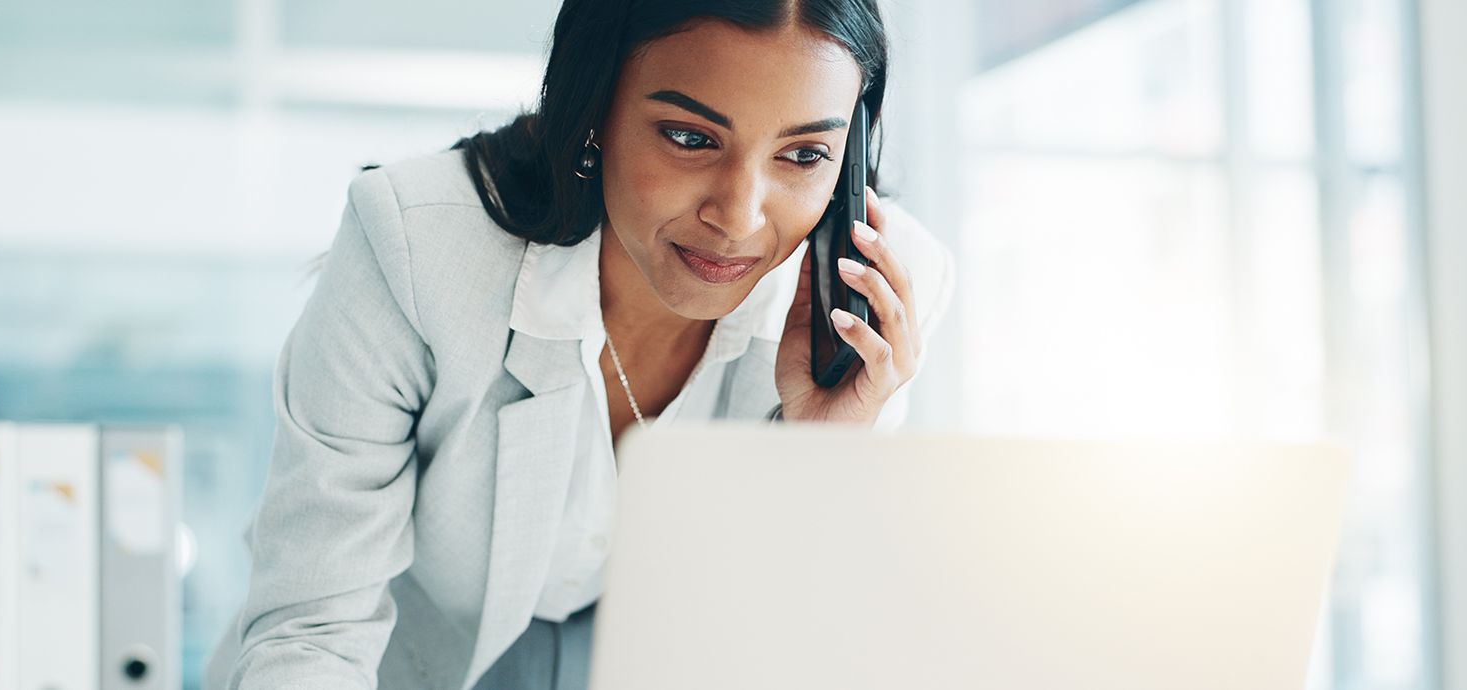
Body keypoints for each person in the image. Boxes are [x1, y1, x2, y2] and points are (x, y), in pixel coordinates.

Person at [210, 0, 956, 687]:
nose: (738, 217)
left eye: (803, 156)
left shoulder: (870, 302)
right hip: (412, 663)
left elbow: (790, 649)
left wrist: (816, 457)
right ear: (594, 111)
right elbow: (314, 631)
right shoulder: (417, 249)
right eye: (691, 138)